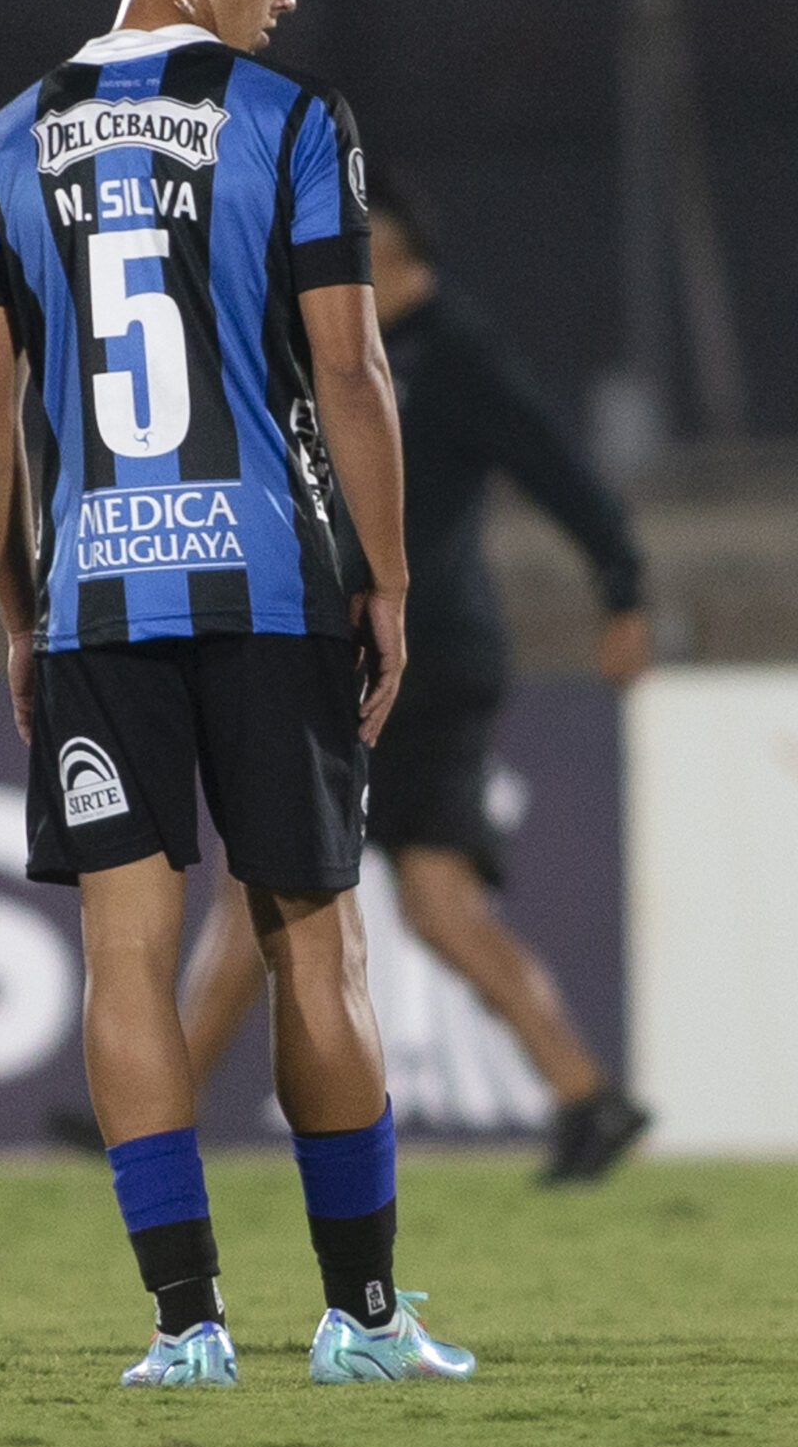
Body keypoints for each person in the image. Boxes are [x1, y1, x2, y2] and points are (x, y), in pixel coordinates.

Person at [0, 0, 473, 1389]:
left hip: (101, 599)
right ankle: (365, 1319)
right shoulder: (292, 120)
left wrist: (21, 607)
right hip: (271, 587)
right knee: (315, 937)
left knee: (127, 954)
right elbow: (351, 366)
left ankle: (185, 1326)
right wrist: (385, 575)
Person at [176, 174, 655, 1183]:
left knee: (253, 882)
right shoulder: (356, 355)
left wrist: (622, 590)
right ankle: (584, 1093)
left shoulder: (448, 352)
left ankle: (151, 1113)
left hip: (413, 660)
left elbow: (558, 467)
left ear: (386, 257)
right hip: (404, 654)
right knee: (436, 904)